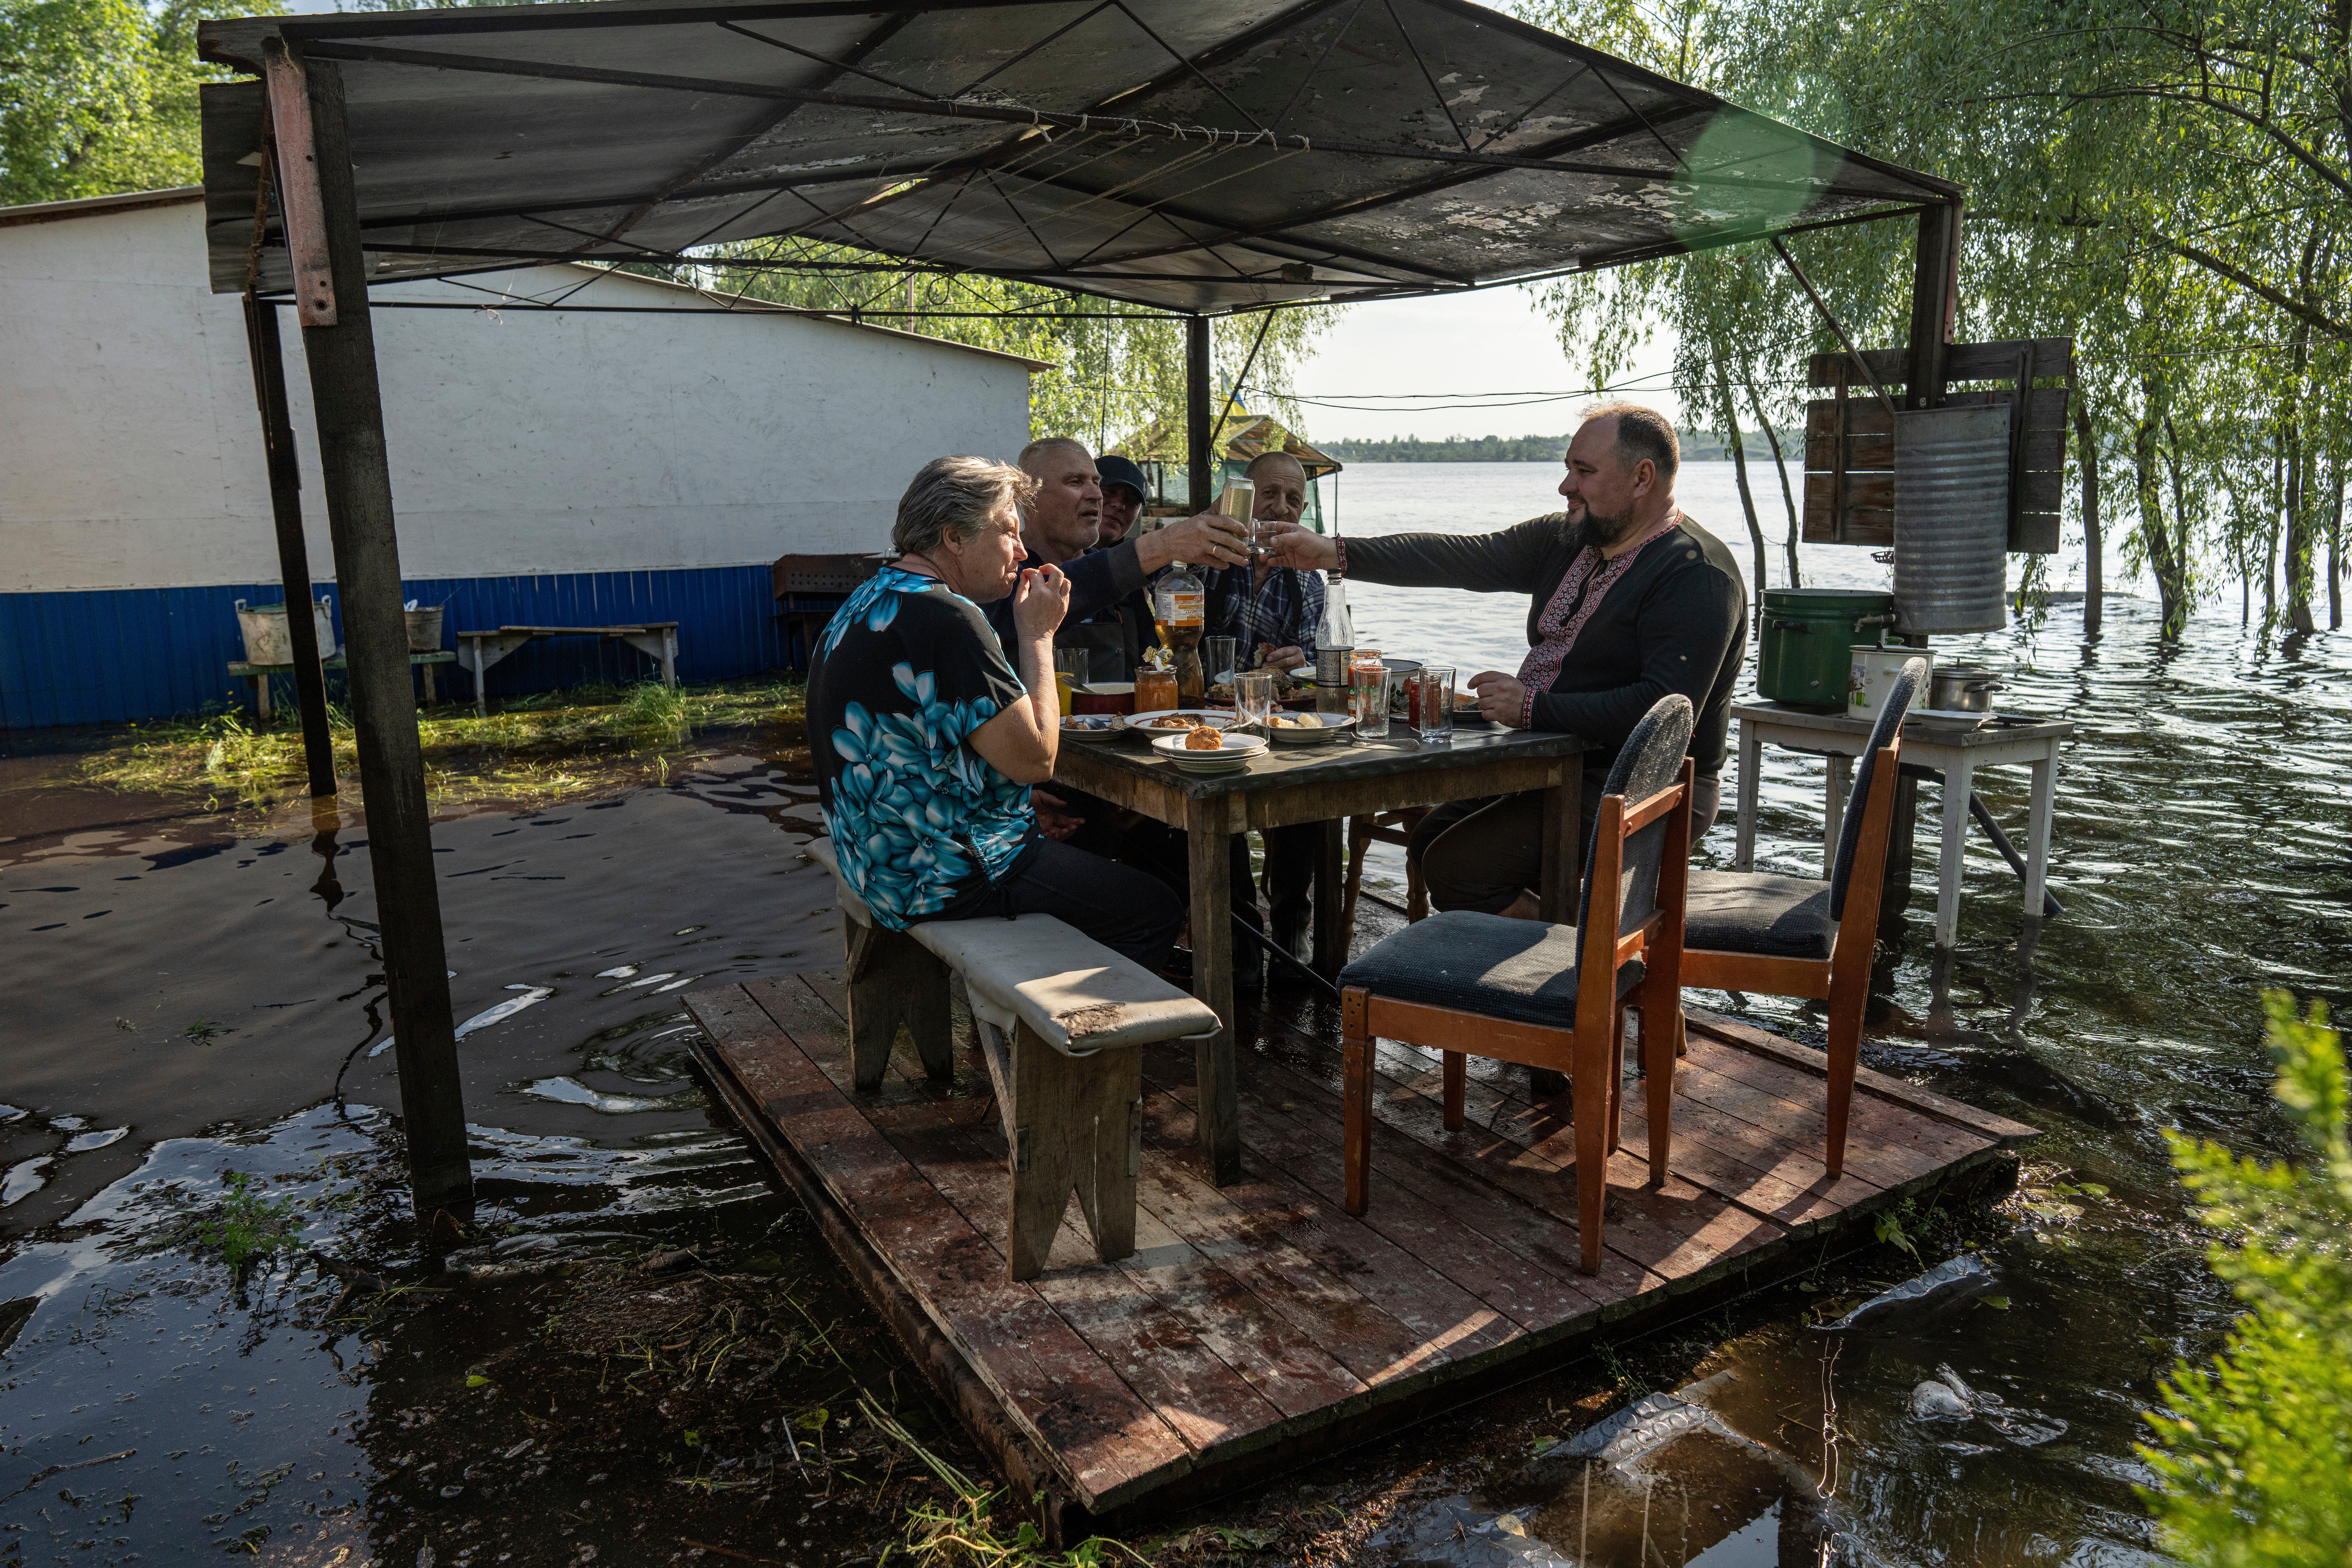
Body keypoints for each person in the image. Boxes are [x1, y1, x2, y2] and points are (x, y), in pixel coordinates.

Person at [1258, 403, 1745, 919]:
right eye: (1568, 468)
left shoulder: (1697, 575)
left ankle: (1582, 976)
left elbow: (1663, 713)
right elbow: (1457, 556)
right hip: (1557, 763)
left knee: (1458, 868)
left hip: (1643, 786)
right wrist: (1330, 552)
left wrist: (1532, 709)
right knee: (1430, 838)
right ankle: (1571, 949)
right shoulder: (1573, 537)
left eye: (1584, 472)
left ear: (1642, 478)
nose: (1566, 486)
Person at [807, 455, 1183, 967]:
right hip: (942, 877)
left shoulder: (869, 600)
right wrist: (1039, 635)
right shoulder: (949, 618)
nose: (1023, 551)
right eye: (1008, 532)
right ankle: (1081, 1034)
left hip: (876, 863)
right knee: (1154, 907)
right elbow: (1037, 759)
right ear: (955, 538)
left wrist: (1013, 798)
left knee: (1092, 861)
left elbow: (923, 742)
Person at [981, 437, 1251, 681]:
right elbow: (1064, 587)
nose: (1097, 496)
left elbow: (1152, 658)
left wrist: (1178, 654)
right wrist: (1163, 544)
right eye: (1075, 482)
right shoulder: (1000, 573)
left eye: (1097, 483)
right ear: (1028, 497)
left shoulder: (1125, 586)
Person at [1208, 448, 1328, 958]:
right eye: (1270, 495)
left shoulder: (1309, 580)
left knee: (1309, 787)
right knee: (1216, 801)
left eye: (1294, 501)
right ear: (1241, 497)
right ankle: (1238, 933)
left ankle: (1291, 925)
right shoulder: (1207, 556)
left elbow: (1323, 669)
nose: (1281, 508)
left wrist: (1303, 659)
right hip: (1204, 720)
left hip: (1273, 724)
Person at [1095, 453, 1150, 547]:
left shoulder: (1139, 560)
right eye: (1108, 492)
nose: (1120, 505)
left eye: (1132, 500)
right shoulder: (1062, 556)